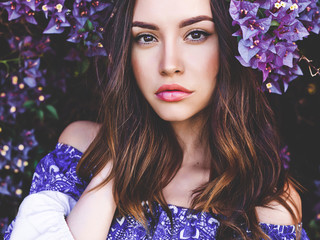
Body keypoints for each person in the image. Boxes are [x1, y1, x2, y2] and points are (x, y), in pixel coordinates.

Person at [4, 0, 310, 239]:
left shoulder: (266, 203)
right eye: (146, 37)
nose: (169, 65)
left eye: (195, 34)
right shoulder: (82, 152)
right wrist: (119, 155)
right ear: (126, 52)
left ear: (233, 48)